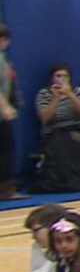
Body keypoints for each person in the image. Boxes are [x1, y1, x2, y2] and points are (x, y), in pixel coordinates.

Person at [33, 64, 80, 193]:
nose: (61, 79)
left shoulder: (78, 92)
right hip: (53, 132)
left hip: (76, 130)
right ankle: (63, 180)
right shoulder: (44, 94)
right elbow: (44, 118)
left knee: (73, 139)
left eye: (65, 76)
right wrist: (55, 98)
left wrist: (69, 94)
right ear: (52, 78)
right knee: (61, 141)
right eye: (58, 76)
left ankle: (73, 178)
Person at [0, 24, 25, 200]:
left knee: (7, 148)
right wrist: (5, 106)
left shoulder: (4, 60)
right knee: (6, 149)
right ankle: (5, 189)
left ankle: (5, 187)